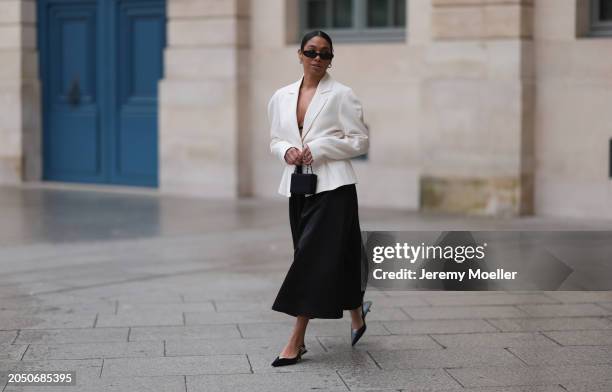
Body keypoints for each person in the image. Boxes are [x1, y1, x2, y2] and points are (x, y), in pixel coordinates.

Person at [267, 30, 372, 367]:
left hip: (335, 189)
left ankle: (296, 340)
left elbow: (360, 141)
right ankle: (356, 313)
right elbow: (274, 139)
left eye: (324, 54)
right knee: (325, 255)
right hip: (299, 187)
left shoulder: (342, 95)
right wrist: (286, 151)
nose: (317, 59)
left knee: (310, 261)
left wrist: (321, 149)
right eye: (311, 52)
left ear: (331, 59)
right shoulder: (281, 96)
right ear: (299, 54)